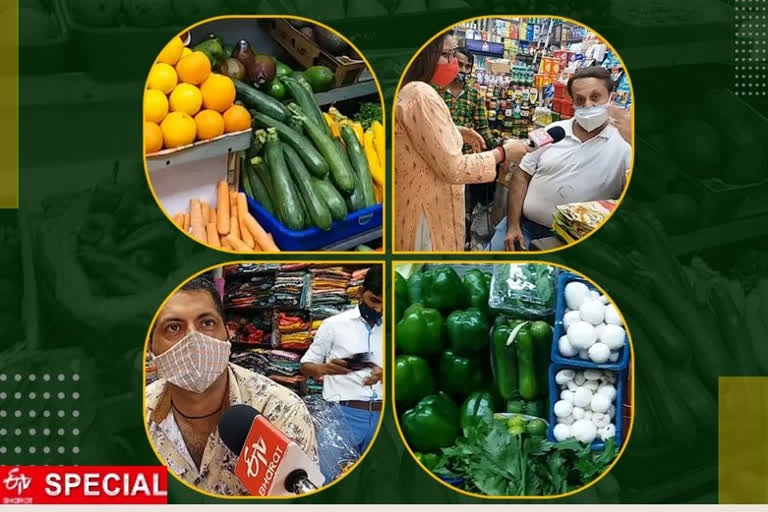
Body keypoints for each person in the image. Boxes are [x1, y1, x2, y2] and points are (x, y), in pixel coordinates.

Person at [145, 277, 318, 496]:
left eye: (207, 323)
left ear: (227, 333)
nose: (194, 340)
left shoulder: (280, 412)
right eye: (173, 327)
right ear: (151, 347)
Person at [395, 30, 529, 251]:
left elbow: (418, 135)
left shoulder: (412, 89)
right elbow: (453, 168)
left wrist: (454, 131)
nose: (453, 64)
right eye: (447, 55)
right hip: (427, 209)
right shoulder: (421, 93)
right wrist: (503, 154)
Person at [490, 66, 632, 251]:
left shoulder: (624, 144)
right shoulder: (553, 130)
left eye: (595, 97)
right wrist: (513, 226)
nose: (588, 105)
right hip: (522, 226)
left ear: (610, 97)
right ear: (572, 102)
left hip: (572, 241)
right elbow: (521, 175)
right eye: (580, 100)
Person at [300, 266, 383, 454]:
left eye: (385, 304)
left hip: (383, 418)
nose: (378, 309)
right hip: (344, 416)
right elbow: (305, 366)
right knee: (329, 475)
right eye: (374, 301)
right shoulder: (334, 325)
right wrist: (324, 369)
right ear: (361, 292)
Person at [439, 47, 494, 151]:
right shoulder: (436, 91)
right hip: (441, 152)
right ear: (451, 62)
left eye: (467, 67)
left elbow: (483, 128)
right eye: (459, 64)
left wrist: (500, 146)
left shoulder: (474, 95)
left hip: (466, 155)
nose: (463, 70)